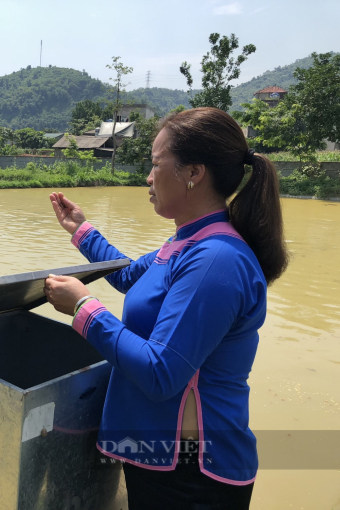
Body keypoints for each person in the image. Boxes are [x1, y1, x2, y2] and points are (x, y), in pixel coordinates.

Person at [44, 107, 289, 510]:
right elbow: (130, 278)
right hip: (162, 459)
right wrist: (82, 231)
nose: (148, 177)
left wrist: (84, 308)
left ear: (193, 172)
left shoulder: (216, 260)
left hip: (192, 473)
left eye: (157, 164)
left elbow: (162, 372)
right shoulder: (184, 243)